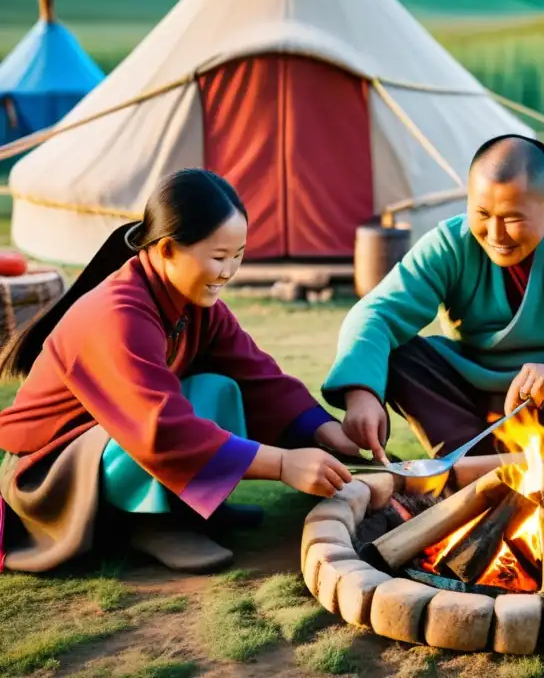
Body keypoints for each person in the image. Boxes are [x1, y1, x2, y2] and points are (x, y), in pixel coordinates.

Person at [0, 169, 360, 574]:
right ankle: (150, 522)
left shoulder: (194, 305)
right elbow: (157, 427)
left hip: (110, 443)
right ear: (167, 249)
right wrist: (281, 464)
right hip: (51, 471)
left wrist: (324, 429)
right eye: (219, 257)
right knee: (156, 417)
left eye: (238, 255)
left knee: (218, 387)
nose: (229, 271)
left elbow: (258, 376)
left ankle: (186, 507)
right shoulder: (116, 315)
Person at [323, 134, 544, 464]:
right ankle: (466, 466)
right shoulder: (448, 243)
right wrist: (361, 393)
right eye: (482, 214)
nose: (495, 235)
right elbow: (377, 313)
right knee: (400, 356)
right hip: (466, 398)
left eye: (513, 218)